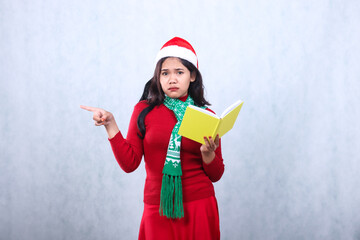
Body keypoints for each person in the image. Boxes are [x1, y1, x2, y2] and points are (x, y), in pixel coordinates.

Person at [81, 37, 224, 240]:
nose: (172, 79)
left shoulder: (205, 115)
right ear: (158, 76)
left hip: (199, 205)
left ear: (192, 76)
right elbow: (129, 163)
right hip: (158, 206)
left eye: (179, 72)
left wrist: (208, 154)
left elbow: (216, 174)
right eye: (165, 73)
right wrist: (110, 124)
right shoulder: (144, 111)